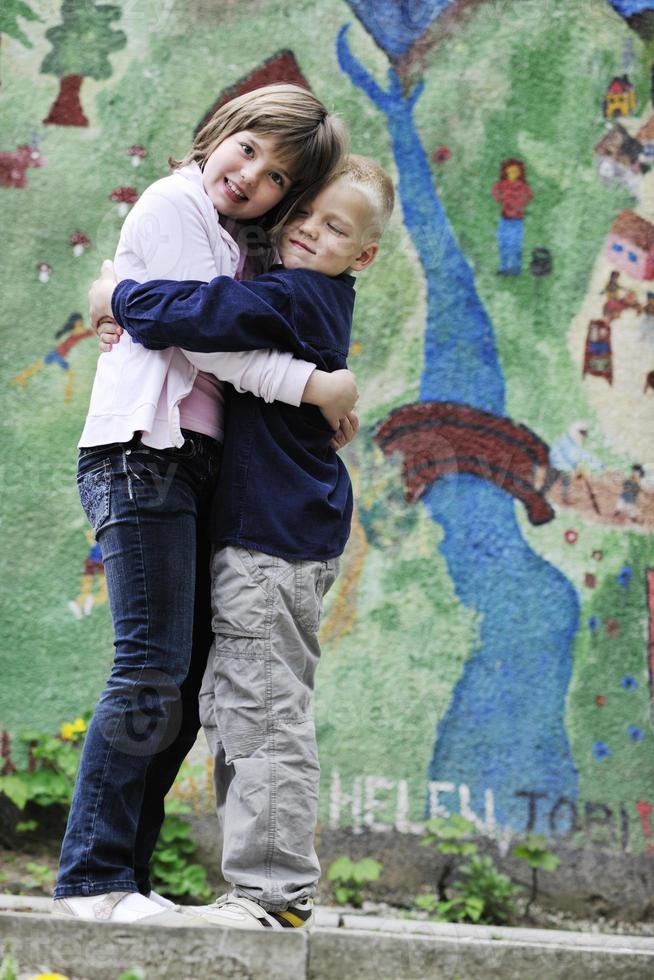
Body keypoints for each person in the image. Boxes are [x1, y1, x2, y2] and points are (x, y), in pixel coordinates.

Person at [54, 84, 356, 925]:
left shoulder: (242, 238)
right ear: (220, 129)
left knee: (180, 685)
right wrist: (314, 386)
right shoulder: (175, 202)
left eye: (276, 176)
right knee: (150, 668)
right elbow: (200, 330)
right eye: (249, 147)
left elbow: (236, 321)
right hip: (142, 454)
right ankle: (93, 880)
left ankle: (123, 876)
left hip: (192, 464)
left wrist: (313, 394)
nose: (252, 175)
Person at [541, 421, 603, 505]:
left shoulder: (575, 444)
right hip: (556, 466)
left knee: (566, 482)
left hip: (565, 468)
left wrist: (597, 464)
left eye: (585, 433)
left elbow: (583, 455)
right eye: (582, 433)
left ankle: (564, 499)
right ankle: (541, 496)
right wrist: (571, 465)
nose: (584, 436)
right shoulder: (565, 441)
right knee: (550, 482)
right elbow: (557, 454)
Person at [491, 158, 533, 276]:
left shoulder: (522, 186)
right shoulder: (502, 185)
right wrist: (502, 201)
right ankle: (503, 267)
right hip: (504, 218)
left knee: (515, 244)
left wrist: (520, 205)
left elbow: (529, 195)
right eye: (510, 171)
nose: (513, 174)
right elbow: (494, 191)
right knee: (503, 243)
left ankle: (515, 269)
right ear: (506, 172)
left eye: (516, 171)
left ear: (520, 173)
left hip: (517, 220)